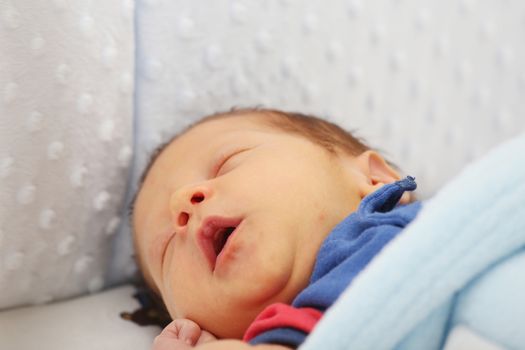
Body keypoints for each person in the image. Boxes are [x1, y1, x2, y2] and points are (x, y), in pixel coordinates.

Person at [130, 108, 421, 349]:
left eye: (227, 164)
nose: (182, 203)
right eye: (166, 250)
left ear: (374, 179)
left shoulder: (404, 234)